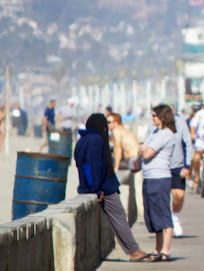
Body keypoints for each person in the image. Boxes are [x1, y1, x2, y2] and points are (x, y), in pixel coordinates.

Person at [74, 113, 150, 261]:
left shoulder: (83, 140)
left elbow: (82, 166)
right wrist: (97, 189)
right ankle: (134, 251)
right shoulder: (96, 141)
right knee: (119, 218)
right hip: (104, 189)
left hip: (92, 187)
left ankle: (133, 250)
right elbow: (94, 167)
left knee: (118, 218)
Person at [139, 104, 176, 261]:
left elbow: (146, 153)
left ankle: (165, 250)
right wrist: (142, 149)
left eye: (154, 115)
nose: (152, 118)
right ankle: (157, 248)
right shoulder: (154, 132)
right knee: (152, 214)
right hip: (148, 177)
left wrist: (143, 150)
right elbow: (141, 148)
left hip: (160, 177)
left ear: (162, 117)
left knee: (162, 212)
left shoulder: (166, 134)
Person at [169, 107, 192, 237]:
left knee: (179, 196)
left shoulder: (180, 123)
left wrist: (187, 166)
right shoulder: (155, 125)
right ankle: (166, 223)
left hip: (178, 166)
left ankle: (175, 217)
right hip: (161, 167)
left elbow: (188, 143)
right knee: (163, 198)